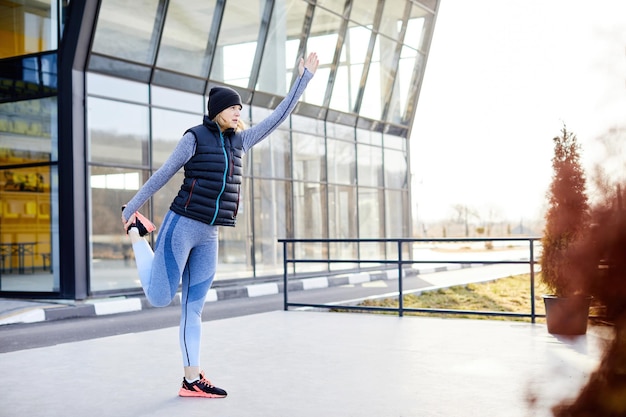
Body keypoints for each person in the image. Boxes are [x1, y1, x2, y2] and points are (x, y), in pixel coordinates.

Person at [121, 52, 319, 398]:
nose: (238, 112)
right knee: (159, 297)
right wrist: (131, 209)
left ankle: (191, 379)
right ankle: (139, 239)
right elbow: (163, 173)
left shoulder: (239, 141)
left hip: (209, 234)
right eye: (233, 107)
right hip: (180, 225)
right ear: (218, 110)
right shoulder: (194, 138)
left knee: (193, 308)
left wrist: (303, 79)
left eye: (240, 108)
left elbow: (278, 117)